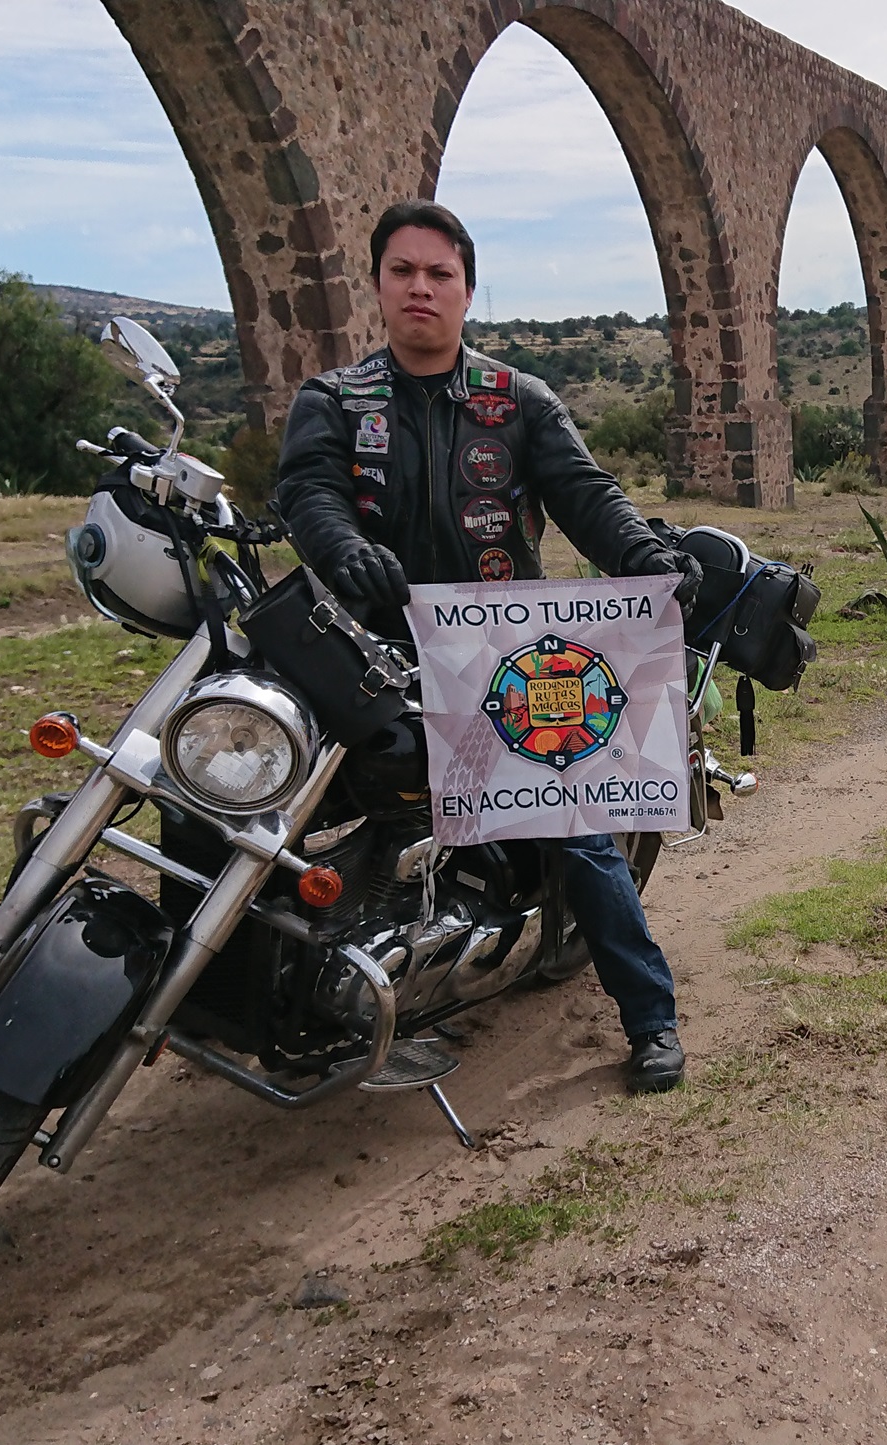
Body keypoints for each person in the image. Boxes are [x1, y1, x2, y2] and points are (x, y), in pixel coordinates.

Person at [276, 199, 700, 1093]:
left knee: (578, 830)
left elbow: (587, 495)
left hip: (503, 663)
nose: (421, 288)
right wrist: (346, 551)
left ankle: (651, 1018)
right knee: (262, 798)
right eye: (404, 272)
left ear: (469, 290)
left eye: (441, 274)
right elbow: (308, 492)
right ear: (379, 286)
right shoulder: (334, 401)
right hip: (368, 651)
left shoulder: (521, 401)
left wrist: (644, 558)